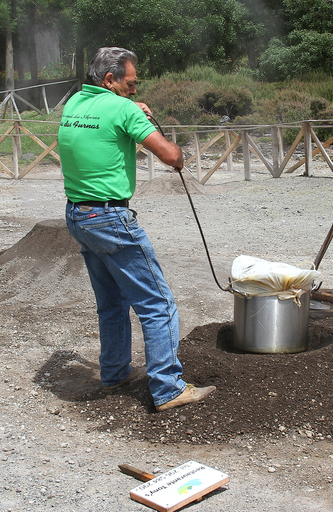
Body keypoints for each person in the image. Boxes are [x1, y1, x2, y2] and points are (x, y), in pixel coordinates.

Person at [58, 47, 215, 412]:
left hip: (78, 214)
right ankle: (168, 387)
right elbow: (171, 157)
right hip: (111, 219)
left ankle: (114, 372)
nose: (133, 88)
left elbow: (106, 124)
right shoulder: (124, 109)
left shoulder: (75, 104)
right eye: (129, 82)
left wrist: (130, 109)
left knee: (111, 303)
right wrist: (143, 119)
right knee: (157, 303)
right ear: (110, 79)